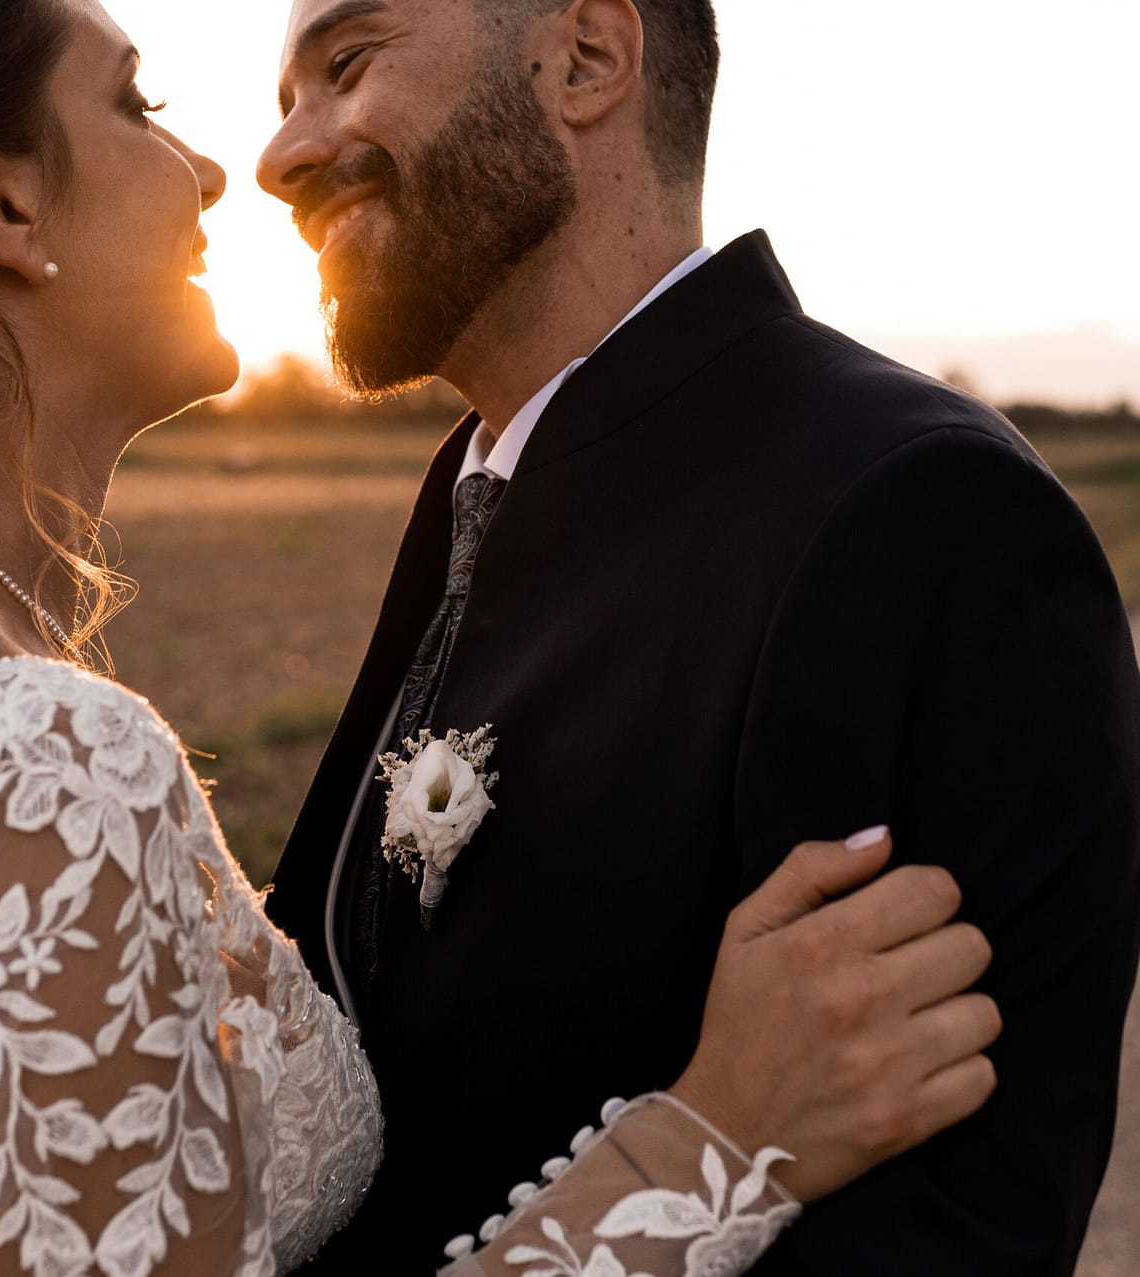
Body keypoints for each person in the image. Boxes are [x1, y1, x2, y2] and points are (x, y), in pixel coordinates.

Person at [0, 0, 998, 1272]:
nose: (225, 168)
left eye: (347, 66)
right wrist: (714, 1134)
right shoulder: (21, 753)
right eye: (136, 104)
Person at [255, 0, 1140, 1272]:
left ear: (587, 55)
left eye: (345, 67)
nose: (281, 157)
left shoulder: (920, 508)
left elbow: (943, 1228)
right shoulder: (476, 480)